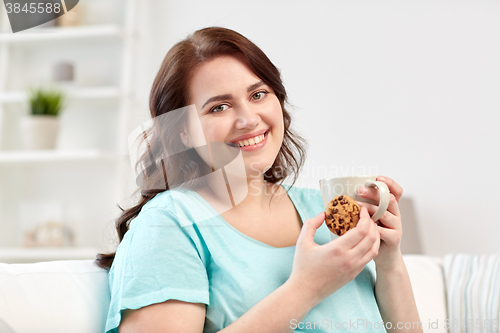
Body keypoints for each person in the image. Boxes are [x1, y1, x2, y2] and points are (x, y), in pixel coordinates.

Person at [96, 27, 422, 333]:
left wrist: (389, 261)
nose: (249, 119)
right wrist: (305, 288)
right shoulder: (170, 224)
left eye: (258, 94)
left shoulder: (322, 208)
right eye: (219, 107)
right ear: (183, 131)